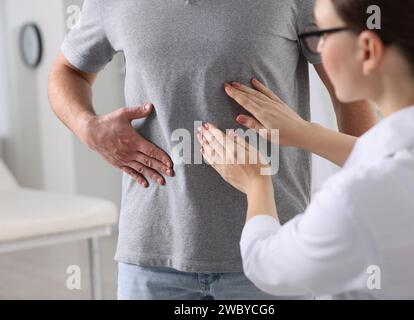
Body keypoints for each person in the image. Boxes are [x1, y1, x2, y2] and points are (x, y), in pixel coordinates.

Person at [48, 0, 377, 300]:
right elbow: (68, 70)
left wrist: (369, 200)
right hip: (151, 254)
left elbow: (350, 90)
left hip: (272, 251)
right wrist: (87, 127)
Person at [197, 0, 414, 299]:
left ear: (367, 50)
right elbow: (394, 161)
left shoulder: (355, 201)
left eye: (322, 35)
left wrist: (256, 182)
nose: (318, 49)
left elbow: (267, 266)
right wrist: (308, 134)